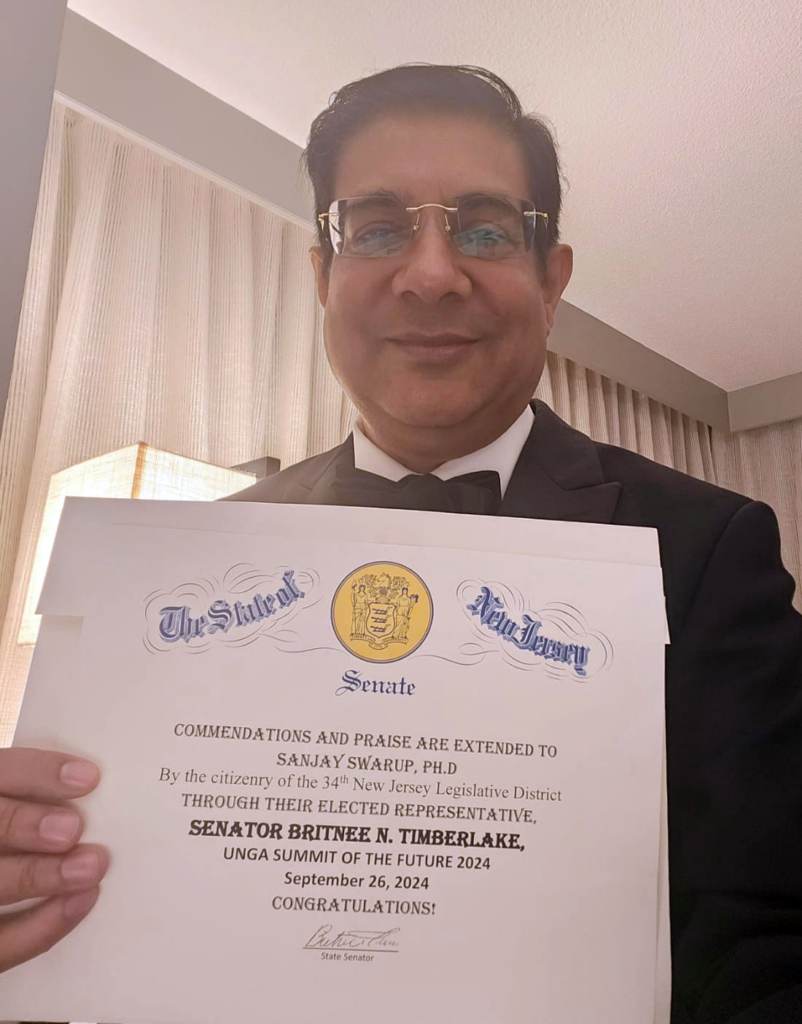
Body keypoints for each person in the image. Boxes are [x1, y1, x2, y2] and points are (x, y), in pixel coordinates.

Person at [2, 63, 801, 1024]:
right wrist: (35, 874)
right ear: (322, 275)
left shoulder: (710, 545)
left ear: (552, 281)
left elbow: (763, 930)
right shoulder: (200, 557)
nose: (431, 273)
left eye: (484, 229)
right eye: (378, 227)